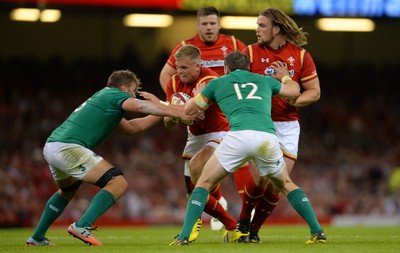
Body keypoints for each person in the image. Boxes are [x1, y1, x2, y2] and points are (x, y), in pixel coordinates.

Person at [25, 69, 203, 246]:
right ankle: (82, 225)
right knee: (118, 183)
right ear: (124, 88)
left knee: (67, 191)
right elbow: (141, 106)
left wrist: (164, 112)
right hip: (68, 147)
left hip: (53, 146)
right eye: (133, 91)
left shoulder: (105, 102)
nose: (134, 96)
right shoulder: (113, 95)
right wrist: (177, 111)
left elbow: (132, 128)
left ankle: (37, 237)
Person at [170, 51, 326, 246]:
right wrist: (285, 76)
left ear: (226, 68)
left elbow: (189, 110)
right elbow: (294, 92)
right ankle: (317, 231)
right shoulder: (263, 80)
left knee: (203, 183)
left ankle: (185, 235)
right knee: (285, 183)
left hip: (238, 137)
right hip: (267, 137)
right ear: (248, 68)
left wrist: (195, 96)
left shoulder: (217, 83)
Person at [235, 7, 322, 243]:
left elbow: (314, 92)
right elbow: (236, 82)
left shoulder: (301, 56)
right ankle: (243, 220)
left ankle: (253, 231)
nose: (257, 30)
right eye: (257, 25)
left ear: (276, 29)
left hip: (288, 126)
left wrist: (294, 98)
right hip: (259, 122)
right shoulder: (250, 53)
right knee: (263, 178)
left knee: (276, 185)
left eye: (261, 25)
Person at [159, 5, 248, 231]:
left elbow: (249, 72)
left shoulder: (235, 45)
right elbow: (166, 76)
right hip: (195, 118)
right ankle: (221, 214)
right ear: (198, 25)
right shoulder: (184, 49)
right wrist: (176, 101)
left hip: (222, 117)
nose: (208, 28)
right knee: (193, 180)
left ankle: (240, 215)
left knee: (208, 168)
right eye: (204, 24)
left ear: (219, 24)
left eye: (212, 23)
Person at [164, 44, 242, 243]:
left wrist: (183, 111)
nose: (179, 72)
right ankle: (233, 226)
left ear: (197, 66)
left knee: (197, 167)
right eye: (178, 67)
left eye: (184, 68)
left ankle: (193, 224)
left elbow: (195, 111)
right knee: (194, 189)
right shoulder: (172, 83)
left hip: (219, 131)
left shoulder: (209, 79)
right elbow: (169, 122)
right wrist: (178, 114)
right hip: (195, 136)